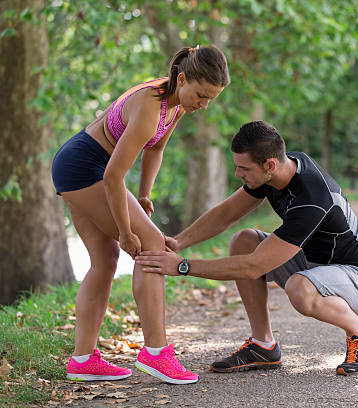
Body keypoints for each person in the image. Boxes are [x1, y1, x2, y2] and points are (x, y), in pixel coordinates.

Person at [136, 121, 358, 376]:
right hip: (313, 263)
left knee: (299, 288)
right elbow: (227, 213)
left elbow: (253, 266)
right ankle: (263, 345)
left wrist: (182, 266)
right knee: (244, 241)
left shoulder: (312, 200)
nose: (237, 174)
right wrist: (178, 242)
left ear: (270, 165)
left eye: (243, 168)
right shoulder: (279, 168)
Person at [51, 45, 229, 384]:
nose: (203, 105)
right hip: (86, 167)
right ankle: (157, 353)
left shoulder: (174, 106)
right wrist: (126, 231)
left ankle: (83, 359)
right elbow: (113, 178)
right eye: (202, 95)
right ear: (183, 79)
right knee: (153, 245)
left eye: (211, 100)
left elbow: (156, 148)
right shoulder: (150, 106)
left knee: (104, 261)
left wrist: (145, 193)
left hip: (80, 164)